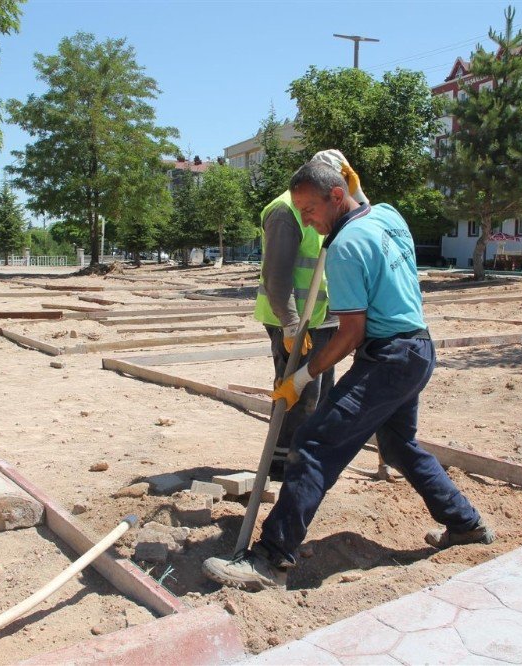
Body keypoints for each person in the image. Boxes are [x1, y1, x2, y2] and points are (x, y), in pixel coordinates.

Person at [203, 160, 494, 591]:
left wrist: (302, 377)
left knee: (314, 443)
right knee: (398, 445)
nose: (306, 220)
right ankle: (465, 524)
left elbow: (351, 334)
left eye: (310, 210)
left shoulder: (343, 248)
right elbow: (366, 210)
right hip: (418, 349)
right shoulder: (388, 215)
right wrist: (356, 193)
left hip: (387, 359)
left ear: (337, 196)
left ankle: (269, 559)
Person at [253, 149, 367, 481]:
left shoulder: (332, 204)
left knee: (321, 392)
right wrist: (290, 325)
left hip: (321, 316)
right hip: (288, 317)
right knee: (297, 393)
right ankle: (280, 465)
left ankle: (306, 460)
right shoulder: (286, 211)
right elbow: (277, 276)